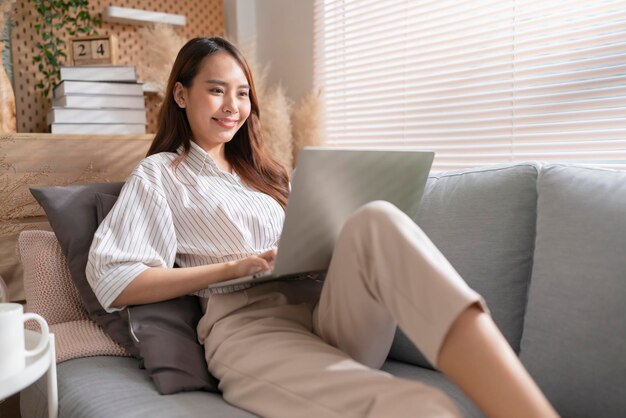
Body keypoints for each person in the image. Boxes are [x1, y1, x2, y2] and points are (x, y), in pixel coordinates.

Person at [87, 37, 559, 418]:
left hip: (327, 310)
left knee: (376, 217)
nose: (232, 105)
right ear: (181, 94)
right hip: (250, 327)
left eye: (242, 92)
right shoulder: (161, 174)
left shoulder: (269, 174)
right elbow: (116, 277)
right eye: (216, 89)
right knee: (418, 405)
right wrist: (229, 268)